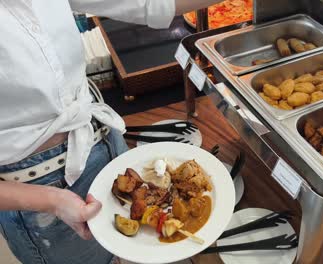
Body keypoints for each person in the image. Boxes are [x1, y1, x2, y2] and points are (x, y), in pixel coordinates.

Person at [0, 1, 222, 263]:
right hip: (37, 190)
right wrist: (52, 200)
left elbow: (149, 3)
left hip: (100, 136)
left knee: (126, 248)